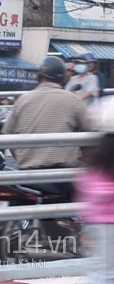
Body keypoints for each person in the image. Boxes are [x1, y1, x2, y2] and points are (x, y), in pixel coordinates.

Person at [2, 57, 99, 183]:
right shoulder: (72, 99)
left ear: (39, 74)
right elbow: (95, 129)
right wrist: (81, 152)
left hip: (27, 171)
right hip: (63, 173)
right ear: (63, 78)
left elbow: (6, 134)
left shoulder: (22, 99)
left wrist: (23, 157)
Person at [75, 98, 114, 283]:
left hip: (99, 221)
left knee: (103, 271)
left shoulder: (99, 158)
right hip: (107, 223)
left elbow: (88, 187)